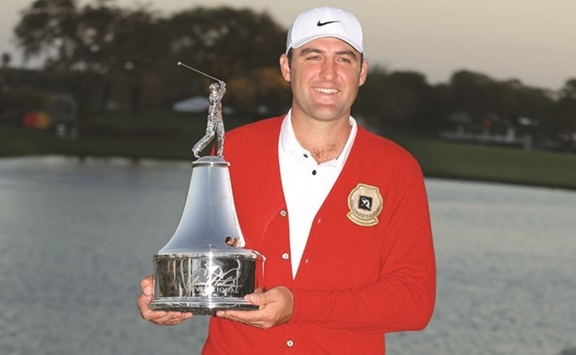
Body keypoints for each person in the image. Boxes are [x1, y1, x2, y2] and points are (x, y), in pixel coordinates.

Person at [137, 6, 435, 354]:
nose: (329, 73)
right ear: (286, 66)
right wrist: (173, 294)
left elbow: (414, 302)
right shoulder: (233, 151)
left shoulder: (396, 168)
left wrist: (298, 306)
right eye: (313, 57)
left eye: (344, 59)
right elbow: (207, 254)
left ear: (362, 72)